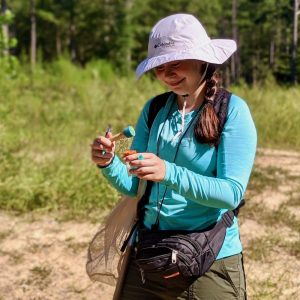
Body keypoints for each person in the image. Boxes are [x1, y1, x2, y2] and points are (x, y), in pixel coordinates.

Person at [91, 13, 257, 300]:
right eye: (160, 67)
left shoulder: (232, 111)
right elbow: (136, 187)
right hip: (149, 253)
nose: (167, 73)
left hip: (208, 259)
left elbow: (231, 193)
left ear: (203, 60)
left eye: (176, 62)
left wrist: (169, 172)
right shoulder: (155, 109)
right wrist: (108, 163)